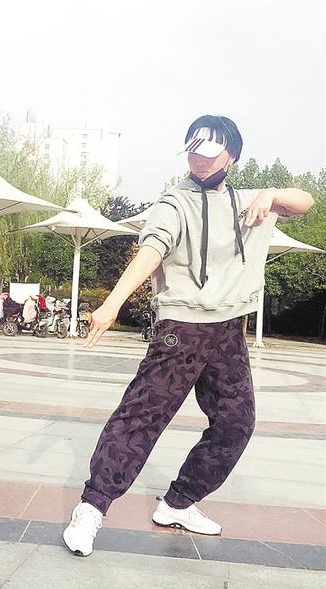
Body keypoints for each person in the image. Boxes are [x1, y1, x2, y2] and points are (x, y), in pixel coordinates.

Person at [63, 116, 315, 556]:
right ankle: (91, 507)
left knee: (236, 424)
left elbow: (307, 200)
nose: (200, 161)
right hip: (181, 329)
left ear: (232, 156)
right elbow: (151, 250)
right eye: (194, 152)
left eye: (210, 154)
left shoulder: (249, 200)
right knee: (141, 418)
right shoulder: (173, 203)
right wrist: (112, 304)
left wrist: (272, 194)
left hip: (228, 330)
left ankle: (179, 502)